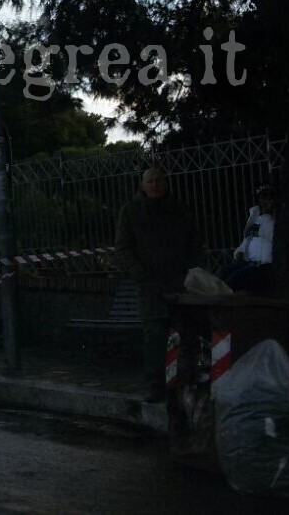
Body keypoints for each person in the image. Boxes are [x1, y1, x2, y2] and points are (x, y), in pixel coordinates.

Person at [115, 166, 204, 403]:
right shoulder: (131, 212)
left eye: (159, 180)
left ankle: (184, 382)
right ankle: (156, 386)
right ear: (143, 185)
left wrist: (192, 271)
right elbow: (124, 247)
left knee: (186, 334)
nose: (155, 185)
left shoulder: (179, 210)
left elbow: (194, 242)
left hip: (180, 283)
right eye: (150, 181)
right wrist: (139, 273)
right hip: (150, 286)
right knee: (154, 337)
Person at [219, 184, 276, 294]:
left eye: (270, 198)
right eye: (264, 198)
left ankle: (222, 296)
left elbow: (270, 237)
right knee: (224, 271)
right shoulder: (256, 219)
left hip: (264, 265)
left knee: (236, 277)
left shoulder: (275, 220)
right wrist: (240, 250)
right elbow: (248, 239)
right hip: (249, 262)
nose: (267, 202)